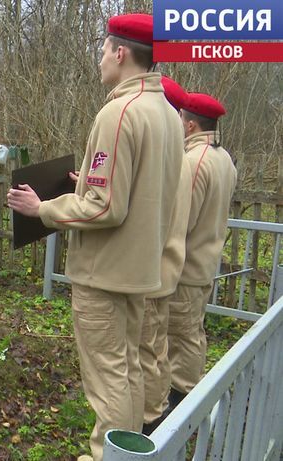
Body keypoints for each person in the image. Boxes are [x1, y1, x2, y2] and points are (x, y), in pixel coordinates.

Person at [7, 14, 183, 460]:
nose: (100, 59)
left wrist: (42, 209)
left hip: (104, 273)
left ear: (120, 52)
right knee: (128, 373)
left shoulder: (119, 111)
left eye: (103, 50)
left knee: (108, 382)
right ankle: (133, 451)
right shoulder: (166, 113)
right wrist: (86, 179)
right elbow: (136, 187)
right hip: (138, 270)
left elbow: (106, 206)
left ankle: (105, 455)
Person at [165, 93, 237, 412]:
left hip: (186, 269)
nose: (178, 125)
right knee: (193, 332)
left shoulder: (195, 161)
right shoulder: (224, 159)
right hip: (205, 265)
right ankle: (186, 399)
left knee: (181, 341)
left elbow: (182, 222)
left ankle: (180, 406)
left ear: (191, 124)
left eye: (181, 120)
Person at [140, 76, 192, 435]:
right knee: (155, 349)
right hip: (166, 270)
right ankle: (155, 416)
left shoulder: (170, 159)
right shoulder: (182, 157)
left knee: (147, 353)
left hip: (150, 270)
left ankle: (148, 424)